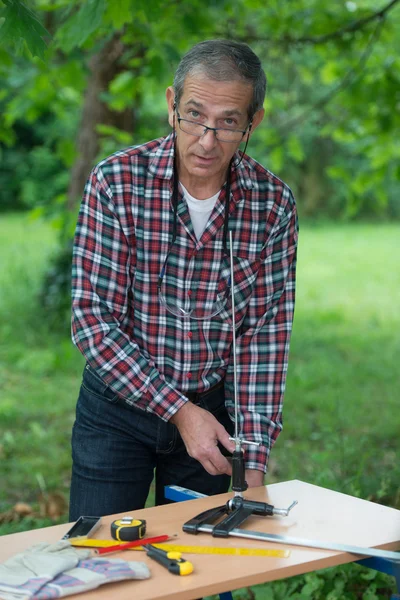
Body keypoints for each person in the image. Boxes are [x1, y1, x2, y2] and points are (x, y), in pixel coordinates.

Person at [69, 39, 298, 520]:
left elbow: (263, 337)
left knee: (193, 577)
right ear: (172, 104)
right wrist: (178, 411)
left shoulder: (273, 205)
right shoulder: (116, 183)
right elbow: (93, 321)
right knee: (99, 564)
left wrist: (251, 456)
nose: (207, 139)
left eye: (228, 122)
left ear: (252, 122)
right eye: (194, 115)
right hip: (117, 410)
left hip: (213, 416)